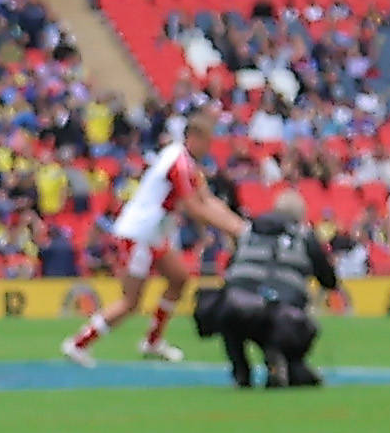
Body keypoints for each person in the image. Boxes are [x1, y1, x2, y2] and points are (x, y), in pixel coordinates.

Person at [66, 104, 245, 366]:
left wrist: (240, 225)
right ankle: (78, 343)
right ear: (195, 137)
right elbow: (196, 207)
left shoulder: (183, 161)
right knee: (131, 301)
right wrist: (236, 230)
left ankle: (152, 340)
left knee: (179, 279)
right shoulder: (180, 164)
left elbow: (208, 200)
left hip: (155, 234)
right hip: (140, 232)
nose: (210, 147)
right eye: (208, 141)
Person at [198, 186, 341, 386]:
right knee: (291, 324)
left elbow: (232, 271)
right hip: (281, 313)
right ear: (301, 215)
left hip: (236, 306)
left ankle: (241, 369)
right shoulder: (304, 236)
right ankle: (283, 358)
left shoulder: (247, 231)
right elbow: (328, 279)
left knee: (232, 309)